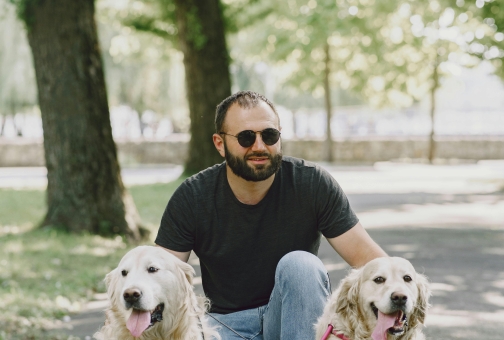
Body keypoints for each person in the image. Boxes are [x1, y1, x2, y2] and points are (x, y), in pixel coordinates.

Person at [155, 91, 387, 340]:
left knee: (302, 265)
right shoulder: (193, 197)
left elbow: (376, 266)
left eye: (269, 135)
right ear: (219, 144)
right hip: (225, 327)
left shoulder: (312, 184)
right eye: (245, 137)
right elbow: (157, 277)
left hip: (295, 320)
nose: (259, 146)